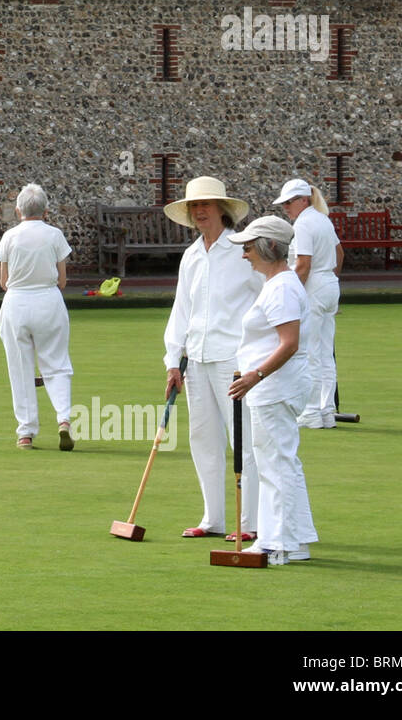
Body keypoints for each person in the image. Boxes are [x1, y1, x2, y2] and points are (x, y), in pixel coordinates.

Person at [162, 177, 262, 541]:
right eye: (194, 206)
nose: (199, 211)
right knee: (202, 438)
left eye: (206, 204)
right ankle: (213, 519)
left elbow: (267, 297)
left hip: (233, 359)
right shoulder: (190, 256)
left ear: (222, 209)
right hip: (197, 361)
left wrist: (258, 352)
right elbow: (181, 311)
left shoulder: (243, 251)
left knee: (244, 439)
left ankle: (249, 523)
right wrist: (173, 360)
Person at [227, 215, 318, 565]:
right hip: (276, 387)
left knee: (274, 464)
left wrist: (255, 375)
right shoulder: (278, 283)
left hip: (275, 387)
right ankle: (295, 541)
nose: (245, 254)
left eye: (249, 247)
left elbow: (289, 342)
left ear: (269, 247)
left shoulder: (281, 287)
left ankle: (275, 544)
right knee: (282, 462)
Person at [0, 183, 74, 450]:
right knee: (57, 363)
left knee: (20, 367)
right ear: (46, 211)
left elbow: (4, 282)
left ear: (19, 211)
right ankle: (63, 419)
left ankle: (26, 432)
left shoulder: (10, 237)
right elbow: (62, 280)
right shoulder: (54, 235)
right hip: (49, 302)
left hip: (16, 304)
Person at [274, 178, 343, 429]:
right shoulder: (323, 219)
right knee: (325, 352)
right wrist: (330, 282)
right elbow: (340, 254)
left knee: (312, 351)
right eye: (284, 203)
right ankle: (326, 411)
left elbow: (303, 265)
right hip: (328, 285)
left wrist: (293, 295)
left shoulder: (303, 224)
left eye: (290, 202)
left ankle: (312, 412)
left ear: (304, 199)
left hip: (313, 286)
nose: (286, 207)